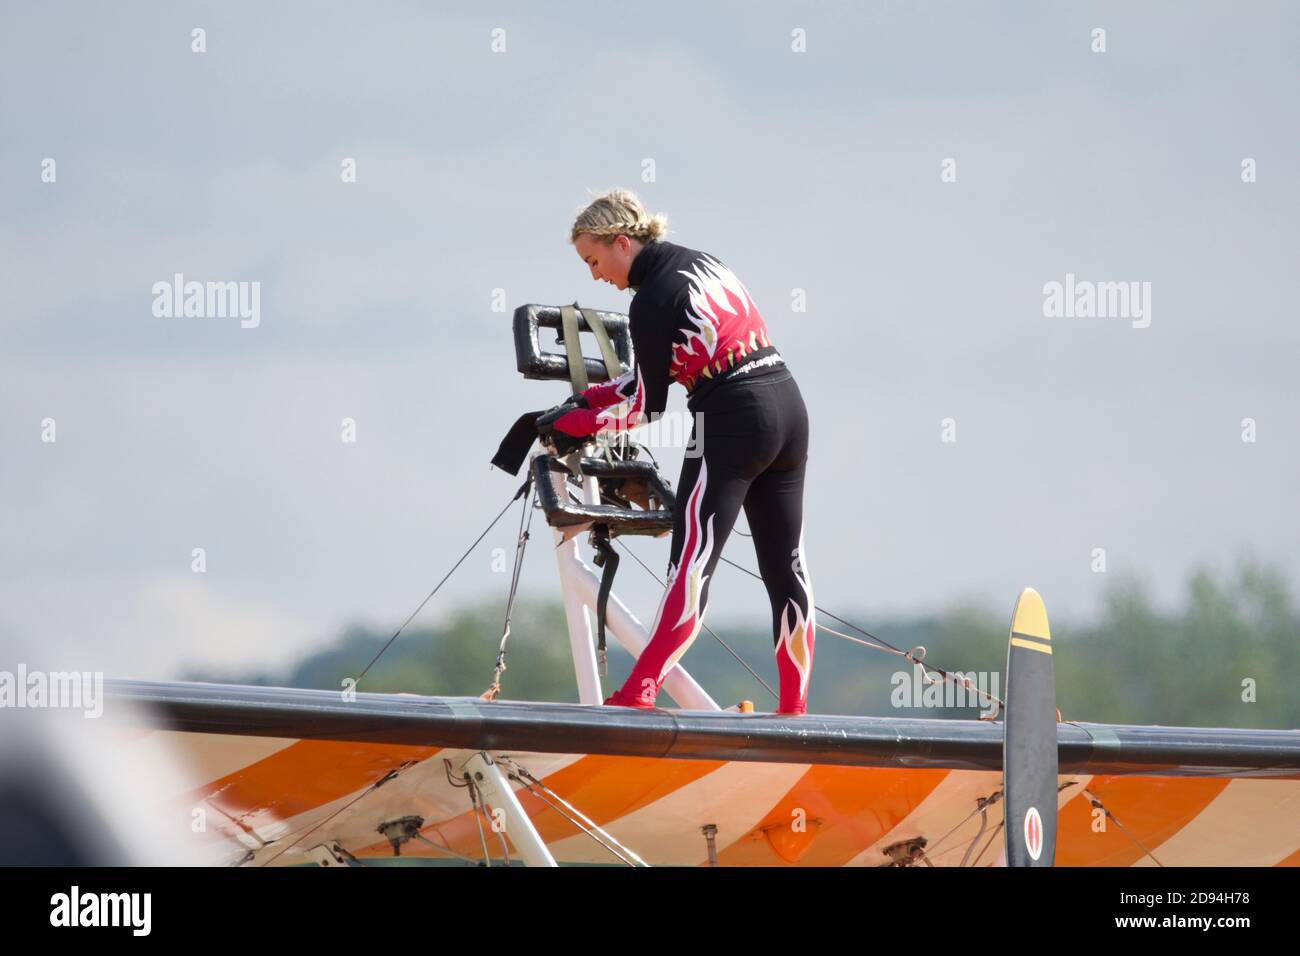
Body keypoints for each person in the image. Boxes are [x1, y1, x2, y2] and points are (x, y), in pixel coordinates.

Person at [547, 188, 815, 715]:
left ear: (622, 243)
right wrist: (593, 398)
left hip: (732, 419)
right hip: (787, 406)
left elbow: (647, 404)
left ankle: (640, 691)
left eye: (594, 260)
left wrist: (575, 424)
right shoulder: (702, 262)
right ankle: (794, 711)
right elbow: (646, 375)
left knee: (692, 562)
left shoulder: (651, 298)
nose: (595, 275)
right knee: (786, 566)